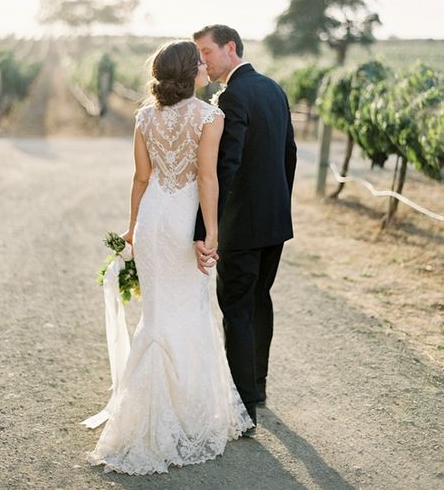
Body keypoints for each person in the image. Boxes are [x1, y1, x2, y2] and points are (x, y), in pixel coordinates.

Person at [86, 40, 253, 475]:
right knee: (189, 311)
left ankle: (147, 414)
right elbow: (207, 180)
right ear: (188, 71)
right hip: (182, 221)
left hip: (154, 218)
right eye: (198, 60)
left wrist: (131, 227)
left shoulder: (145, 116)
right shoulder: (209, 116)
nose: (204, 64)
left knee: (157, 315)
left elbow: (141, 177)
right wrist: (210, 233)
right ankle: (180, 417)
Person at [193, 24, 297, 430]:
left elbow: (227, 166)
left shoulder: (234, 95)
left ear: (230, 48)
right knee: (259, 300)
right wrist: (278, 206)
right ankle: (257, 385)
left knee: (236, 309)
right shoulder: (273, 88)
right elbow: (288, 154)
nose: (203, 61)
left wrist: (207, 225)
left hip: (242, 225)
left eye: (207, 52)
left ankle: (242, 408)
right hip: (274, 222)